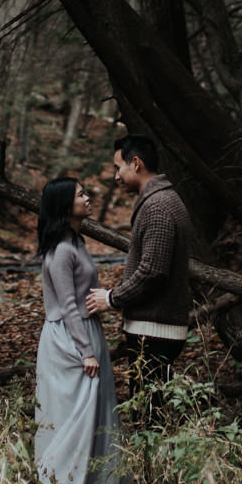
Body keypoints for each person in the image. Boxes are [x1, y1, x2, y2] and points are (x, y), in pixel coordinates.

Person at [33, 176, 132, 484]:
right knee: (74, 418)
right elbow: (68, 305)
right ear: (65, 204)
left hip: (86, 334)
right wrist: (85, 351)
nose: (89, 198)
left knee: (96, 414)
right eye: (81, 194)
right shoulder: (61, 250)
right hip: (69, 340)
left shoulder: (76, 243)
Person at [86, 135, 193, 420]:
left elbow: (153, 271)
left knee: (148, 415)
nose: (116, 176)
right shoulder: (160, 200)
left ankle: (151, 465)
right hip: (155, 327)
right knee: (151, 409)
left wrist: (111, 298)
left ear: (136, 163)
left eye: (118, 167)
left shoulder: (158, 206)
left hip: (155, 330)